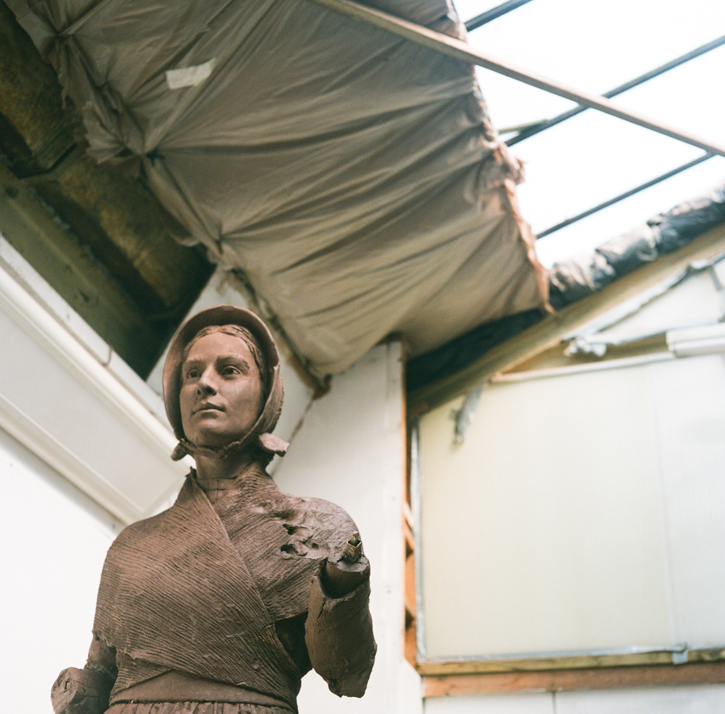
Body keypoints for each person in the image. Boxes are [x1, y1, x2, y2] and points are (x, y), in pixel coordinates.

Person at [51, 305, 376, 714]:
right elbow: (100, 672)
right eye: (191, 374)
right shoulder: (132, 546)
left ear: (266, 395)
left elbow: (347, 674)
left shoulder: (318, 527)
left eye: (230, 370)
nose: (205, 383)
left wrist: (342, 588)